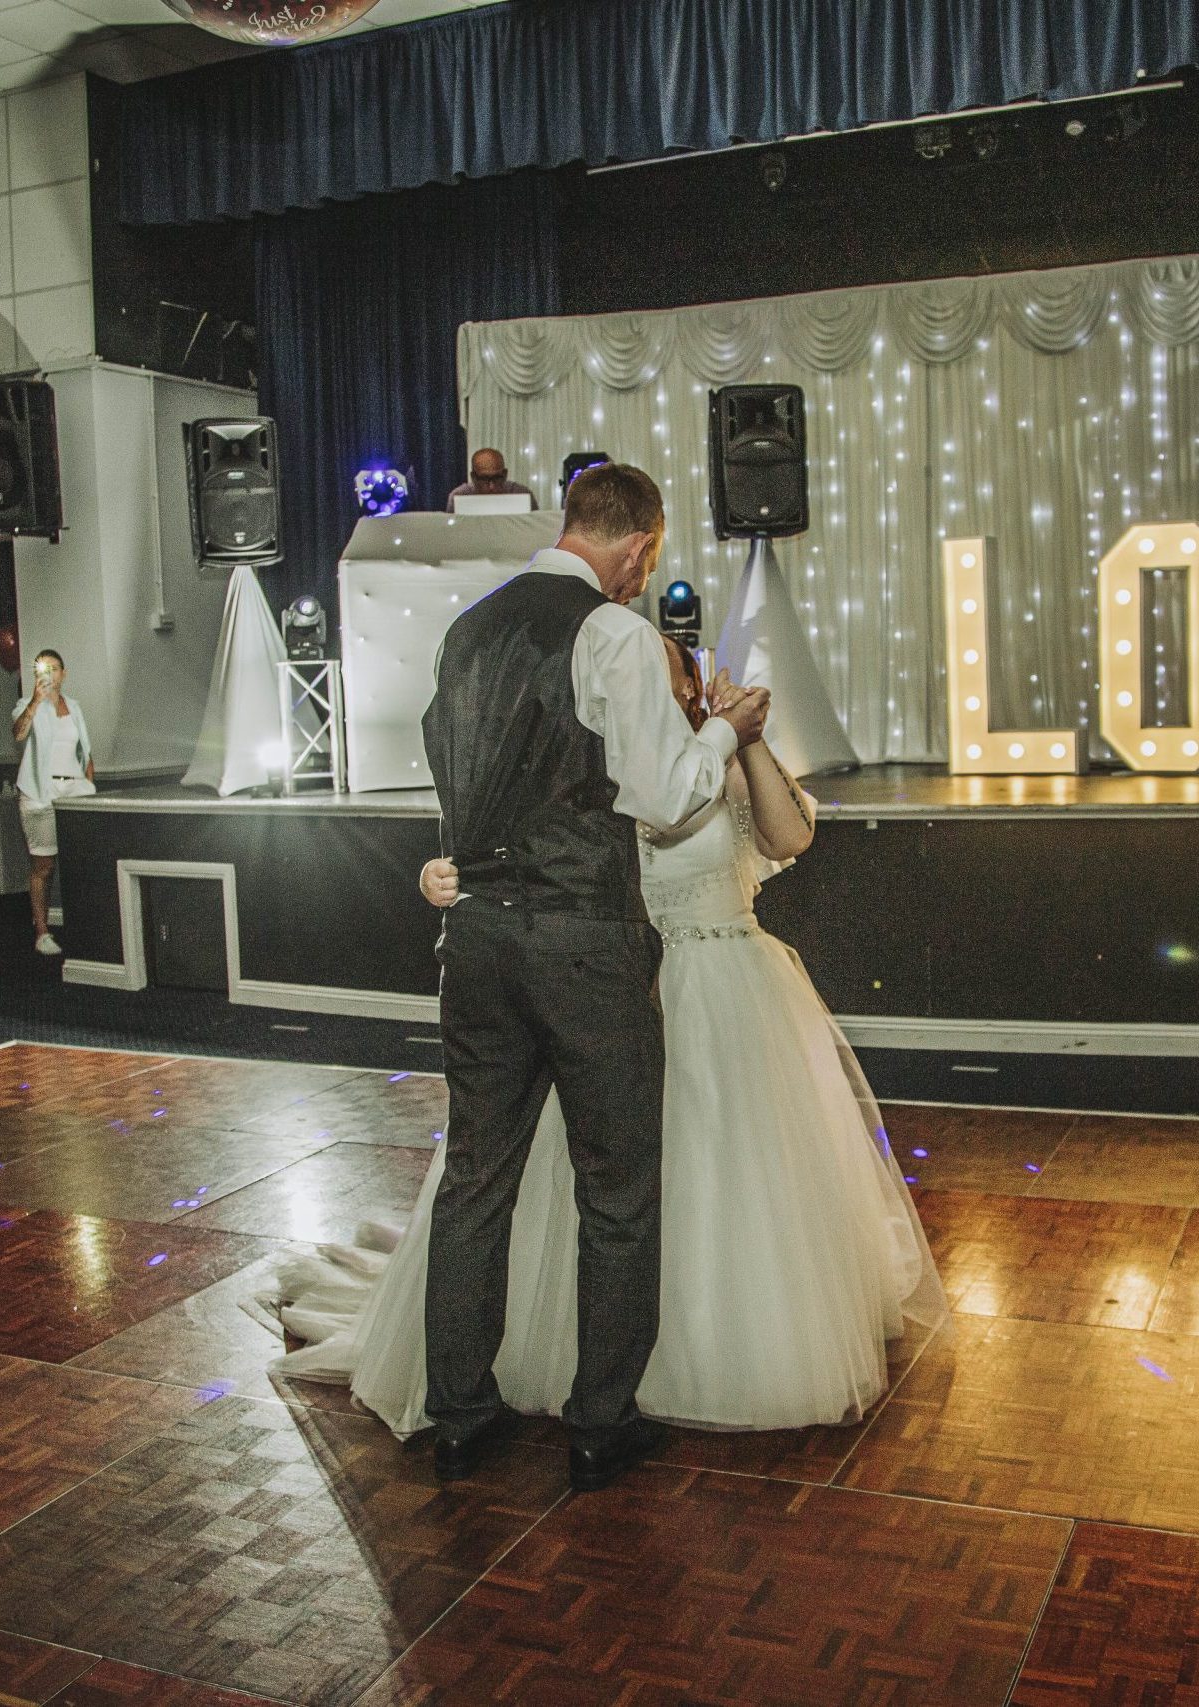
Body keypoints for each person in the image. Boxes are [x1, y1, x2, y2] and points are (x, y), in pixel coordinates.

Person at [269, 634, 946, 1456]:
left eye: (666, 678)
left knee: (725, 1177)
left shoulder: (723, 762)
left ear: (694, 687)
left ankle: (708, 1347)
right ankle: (579, 1373)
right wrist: (436, 876)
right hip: (612, 992)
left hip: (733, 993)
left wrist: (749, 734)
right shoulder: (583, 779)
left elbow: (788, 838)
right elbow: (498, 863)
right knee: (603, 1184)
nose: (646, 692)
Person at [416, 462, 768, 1495]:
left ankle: (460, 1418)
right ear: (640, 550)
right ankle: (599, 1424)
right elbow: (665, 801)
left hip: (475, 937)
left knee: (475, 1177)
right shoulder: (610, 630)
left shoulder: (466, 630)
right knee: (617, 1189)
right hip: (583, 940)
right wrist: (722, 732)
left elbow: (451, 773)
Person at [10, 650, 95, 957]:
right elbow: (19, 734)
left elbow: (86, 751)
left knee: (82, 859)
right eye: (43, 670)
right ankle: (42, 932)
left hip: (74, 792)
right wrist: (34, 701)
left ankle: (87, 927)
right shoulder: (26, 705)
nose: (50, 674)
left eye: (54, 668)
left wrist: (88, 783)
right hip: (39, 792)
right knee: (43, 865)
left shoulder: (74, 707)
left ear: (64, 673)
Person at [446, 447, 538, 510]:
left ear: (505, 474)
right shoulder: (460, 496)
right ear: (473, 477)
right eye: (484, 479)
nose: (491, 486)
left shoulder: (521, 493)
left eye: (497, 478)